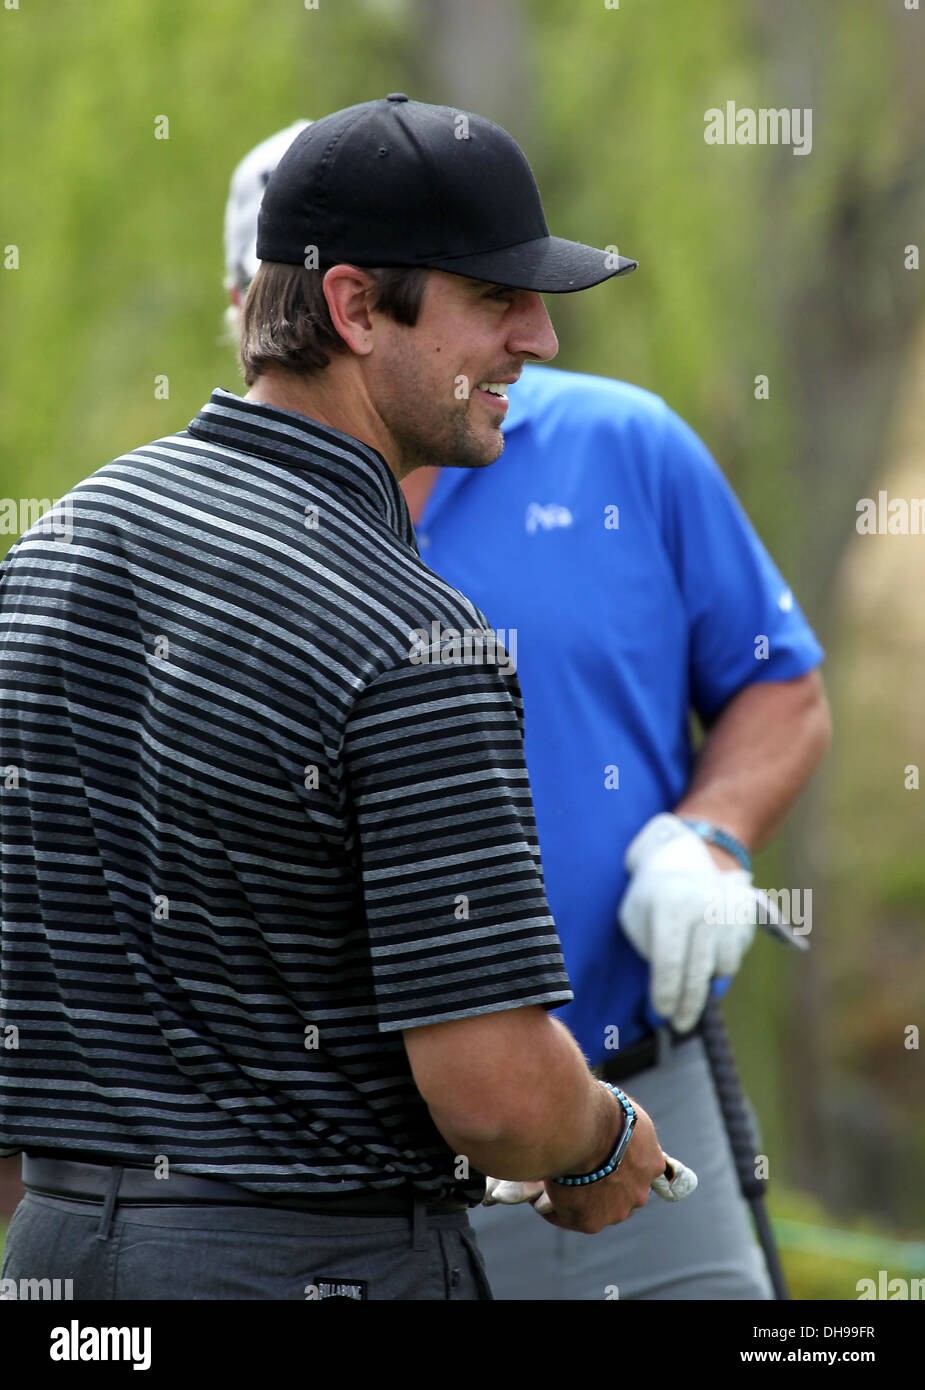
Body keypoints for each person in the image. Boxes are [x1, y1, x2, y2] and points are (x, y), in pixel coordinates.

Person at [0, 95, 684, 1303]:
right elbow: (495, 1095)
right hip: (315, 1266)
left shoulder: (56, 547)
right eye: (496, 299)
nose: (542, 340)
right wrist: (603, 1141)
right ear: (354, 306)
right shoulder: (415, 633)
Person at [221, 121, 832, 1301]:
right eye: (257, 299)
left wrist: (710, 832)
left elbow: (779, 685)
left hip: (642, 1106)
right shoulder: (219, 530)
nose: (533, 338)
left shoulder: (626, 448)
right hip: (356, 1174)